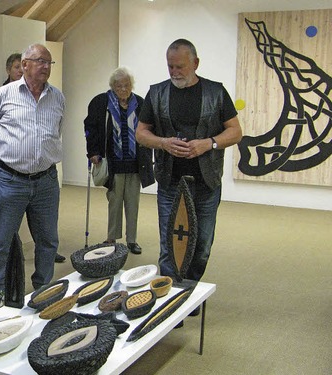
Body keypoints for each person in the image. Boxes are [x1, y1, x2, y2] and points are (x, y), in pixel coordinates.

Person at [135, 39, 242, 317]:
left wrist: (209, 143)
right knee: (169, 247)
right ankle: (170, 304)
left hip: (206, 183)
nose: (174, 71)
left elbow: (236, 132)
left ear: (195, 63)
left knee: (202, 245)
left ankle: (190, 294)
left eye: (180, 66)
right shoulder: (156, 93)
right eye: (170, 66)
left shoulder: (216, 92)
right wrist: (163, 143)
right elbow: (141, 133)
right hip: (170, 182)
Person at [0, 43, 65, 300]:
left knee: (48, 238)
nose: (45, 67)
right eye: (40, 61)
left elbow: (57, 133)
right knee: (4, 237)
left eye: (49, 62)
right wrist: (7, 163)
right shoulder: (2, 95)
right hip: (12, 180)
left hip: (46, 180)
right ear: (25, 63)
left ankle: (42, 285)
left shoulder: (57, 97)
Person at [84, 67, 154, 255]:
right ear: (112, 87)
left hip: (135, 163)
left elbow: (149, 129)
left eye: (127, 85)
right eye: (119, 86)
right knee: (114, 201)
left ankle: (132, 240)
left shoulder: (140, 103)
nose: (123, 89)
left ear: (132, 86)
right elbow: (90, 128)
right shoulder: (101, 102)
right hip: (113, 162)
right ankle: (112, 237)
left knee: (133, 202)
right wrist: (93, 151)